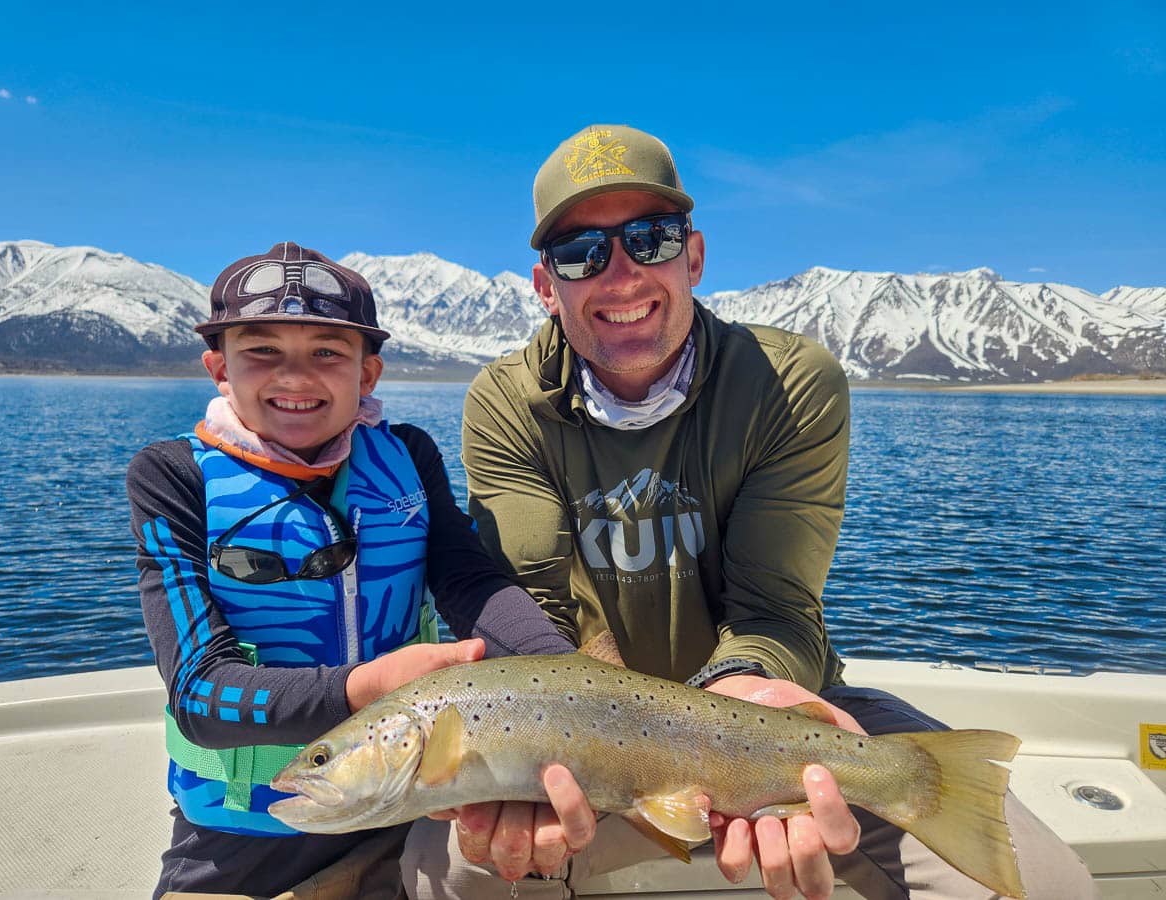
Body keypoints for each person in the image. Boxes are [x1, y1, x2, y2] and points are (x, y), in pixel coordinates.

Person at [402, 126, 1098, 899]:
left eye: (650, 238)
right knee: (448, 872)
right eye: (581, 253)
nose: (622, 273)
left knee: (1046, 886)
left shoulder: (789, 381)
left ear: (693, 257)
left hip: (781, 714)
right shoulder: (506, 403)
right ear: (545, 286)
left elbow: (775, 608)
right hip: (585, 741)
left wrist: (744, 694)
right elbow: (531, 613)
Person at [128, 241, 574, 899]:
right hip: (245, 841)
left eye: (328, 354)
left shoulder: (409, 457)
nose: (296, 377)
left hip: (415, 803)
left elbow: (471, 583)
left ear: (368, 373)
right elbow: (200, 693)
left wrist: (567, 677)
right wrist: (366, 688)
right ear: (219, 368)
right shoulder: (172, 477)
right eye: (262, 352)